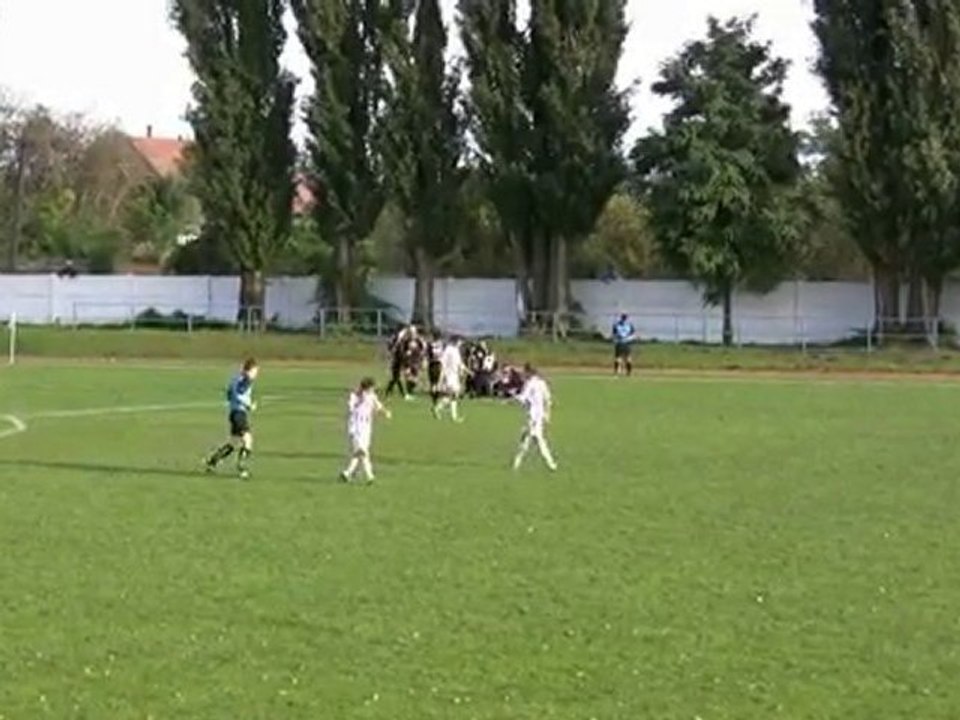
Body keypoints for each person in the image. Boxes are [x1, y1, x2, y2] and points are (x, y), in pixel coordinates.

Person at [205, 358, 259, 479]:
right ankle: (242, 467)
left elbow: (229, 394)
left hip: (234, 413)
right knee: (247, 440)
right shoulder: (245, 380)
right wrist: (249, 405)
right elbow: (239, 394)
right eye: (255, 371)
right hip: (239, 414)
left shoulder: (235, 378)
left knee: (233, 443)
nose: (256, 375)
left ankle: (213, 461)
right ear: (249, 370)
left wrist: (234, 403)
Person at [341, 377, 392, 484]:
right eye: (372, 387)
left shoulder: (372, 396)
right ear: (368, 387)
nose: (374, 389)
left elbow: (378, 406)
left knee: (359, 452)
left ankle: (347, 473)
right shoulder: (355, 396)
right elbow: (351, 408)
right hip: (356, 427)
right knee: (362, 452)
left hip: (367, 427)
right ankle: (369, 476)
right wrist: (360, 399)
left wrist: (386, 412)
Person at [512, 364, 558, 471]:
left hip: (533, 416)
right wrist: (547, 414)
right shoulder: (542, 383)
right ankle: (517, 463)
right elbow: (548, 399)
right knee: (527, 439)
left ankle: (551, 464)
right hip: (539, 415)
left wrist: (513, 396)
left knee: (535, 439)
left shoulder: (529, 384)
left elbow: (523, 398)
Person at [434, 336, 466, 422]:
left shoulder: (456, 350)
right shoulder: (448, 349)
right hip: (449, 375)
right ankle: (452, 415)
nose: (461, 344)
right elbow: (443, 362)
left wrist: (465, 370)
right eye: (460, 342)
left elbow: (459, 363)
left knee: (452, 395)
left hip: (455, 375)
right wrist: (442, 377)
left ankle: (438, 408)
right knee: (454, 394)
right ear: (456, 341)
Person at [426, 331, 445, 404]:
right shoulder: (442, 344)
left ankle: (434, 398)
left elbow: (427, 355)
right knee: (438, 381)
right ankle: (436, 397)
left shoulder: (430, 344)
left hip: (432, 364)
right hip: (439, 364)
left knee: (432, 382)